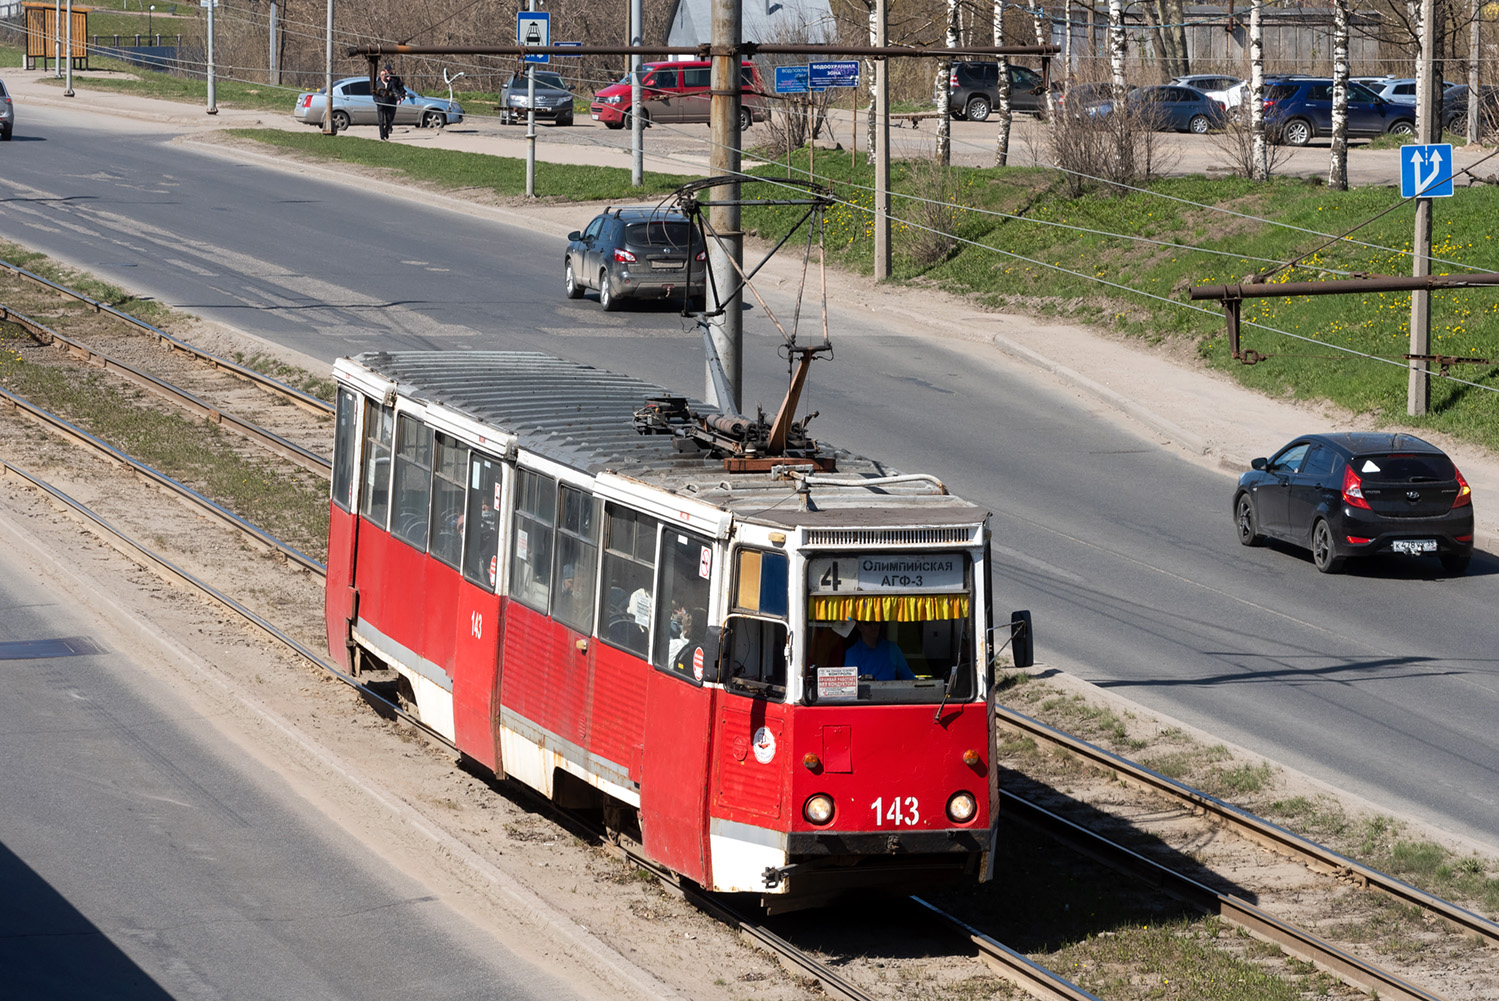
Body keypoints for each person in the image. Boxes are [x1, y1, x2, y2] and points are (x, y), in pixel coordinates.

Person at [843, 620, 914, 680]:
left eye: (876, 622)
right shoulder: (852, 653)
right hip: (864, 696)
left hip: (891, 695)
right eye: (868, 623)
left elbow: (908, 678)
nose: (873, 627)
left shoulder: (892, 648)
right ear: (859, 626)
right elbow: (851, 686)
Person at [374, 64, 405, 141]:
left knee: (390, 118)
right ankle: (382, 136)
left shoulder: (395, 79)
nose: (387, 72)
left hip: (391, 101)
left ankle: (387, 129)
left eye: (389, 70)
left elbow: (398, 88)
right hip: (381, 102)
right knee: (381, 120)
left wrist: (401, 97)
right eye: (386, 70)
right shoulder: (378, 82)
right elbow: (375, 93)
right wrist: (377, 101)